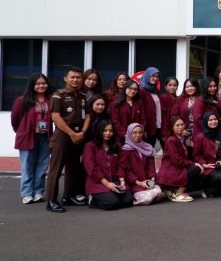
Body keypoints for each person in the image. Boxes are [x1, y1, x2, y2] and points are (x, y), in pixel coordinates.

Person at [44, 66, 90, 213]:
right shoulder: (58, 95)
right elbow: (56, 117)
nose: (76, 80)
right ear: (65, 79)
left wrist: (82, 132)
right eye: (72, 77)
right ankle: (51, 200)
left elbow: (88, 115)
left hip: (78, 135)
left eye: (78, 77)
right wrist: (72, 133)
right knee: (55, 169)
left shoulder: (83, 95)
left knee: (73, 167)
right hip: (63, 136)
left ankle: (68, 196)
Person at [11, 73, 51, 204]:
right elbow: (15, 120)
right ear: (32, 85)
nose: (41, 86)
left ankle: (39, 192)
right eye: (38, 83)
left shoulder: (50, 100)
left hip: (45, 136)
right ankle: (27, 193)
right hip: (28, 136)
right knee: (27, 166)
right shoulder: (22, 101)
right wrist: (22, 131)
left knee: (42, 166)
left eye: (43, 83)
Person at [82, 120, 133, 210]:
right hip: (99, 183)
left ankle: (110, 196)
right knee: (112, 203)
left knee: (128, 200)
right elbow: (91, 168)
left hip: (115, 182)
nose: (108, 133)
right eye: (105, 130)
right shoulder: (90, 146)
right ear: (99, 131)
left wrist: (122, 182)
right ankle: (93, 199)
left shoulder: (116, 146)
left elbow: (122, 165)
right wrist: (107, 184)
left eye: (111, 131)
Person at [156, 116, 200, 202]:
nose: (180, 127)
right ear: (172, 127)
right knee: (196, 169)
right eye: (177, 125)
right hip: (171, 170)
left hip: (177, 167)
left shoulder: (181, 138)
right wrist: (194, 164)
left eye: (182, 124)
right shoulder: (171, 140)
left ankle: (174, 191)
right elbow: (177, 160)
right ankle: (178, 194)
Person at [119, 123, 164, 206]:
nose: (138, 135)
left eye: (140, 132)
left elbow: (151, 166)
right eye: (134, 132)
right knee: (147, 198)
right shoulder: (126, 150)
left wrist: (152, 180)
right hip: (135, 183)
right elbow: (127, 170)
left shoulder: (147, 147)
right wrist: (139, 183)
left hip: (147, 181)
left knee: (158, 192)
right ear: (129, 133)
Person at [193, 112, 221, 198]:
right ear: (205, 122)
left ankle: (213, 190)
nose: (213, 122)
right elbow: (196, 155)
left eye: (215, 119)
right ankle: (207, 190)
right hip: (208, 167)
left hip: (220, 166)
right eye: (210, 120)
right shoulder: (200, 137)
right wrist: (204, 164)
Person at [139, 67, 168, 148]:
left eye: (157, 76)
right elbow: (142, 112)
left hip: (160, 127)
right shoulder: (141, 91)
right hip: (149, 129)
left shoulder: (156, 91)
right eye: (153, 76)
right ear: (147, 76)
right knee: (149, 154)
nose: (155, 78)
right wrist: (144, 129)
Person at [171, 78, 205, 143]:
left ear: (196, 87)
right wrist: (180, 130)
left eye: (191, 86)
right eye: (187, 87)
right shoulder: (180, 100)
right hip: (185, 132)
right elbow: (174, 116)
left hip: (200, 132)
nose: (189, 89)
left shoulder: (203, 99)